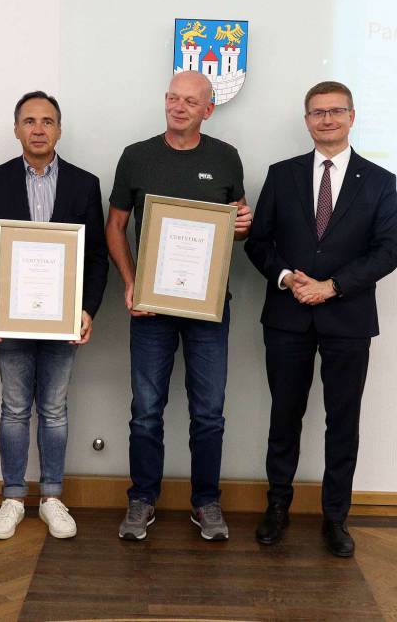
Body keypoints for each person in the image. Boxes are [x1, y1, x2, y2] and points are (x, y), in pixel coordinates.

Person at [244, 81, 397, 556]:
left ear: (352, 116)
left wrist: (331, 286)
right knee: (284, 417)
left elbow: (387, 252)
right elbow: (259, 242)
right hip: (287, 316)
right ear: (307, 120)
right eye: (317, 112)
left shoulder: (380, 181)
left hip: (348, 318)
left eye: (335, 111)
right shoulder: (281, 174)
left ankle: (335, 518)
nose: (327, 119)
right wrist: (287, 277)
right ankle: (277, 508)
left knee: (343, 422)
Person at [106, 71, 253, 541]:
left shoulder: (225, 158)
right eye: (172, 97)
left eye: (190, 101)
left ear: (208, 109)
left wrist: (244, 225)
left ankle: (206, 503)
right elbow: (115, 226)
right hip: (151, 309)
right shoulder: (136, 156)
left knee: (208, 412)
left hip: (208, 308)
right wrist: (132, 283)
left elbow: (238, 222)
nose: (178, 106)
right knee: (146, 410)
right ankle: (142, 499)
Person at [0, 91, 107, 540]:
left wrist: (86, 310)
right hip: (10, 318)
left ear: (59, 130)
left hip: (63, 321)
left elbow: (97, 256)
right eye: (29, 121)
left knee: (54, 409)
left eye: (47, 121)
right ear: (16, 129)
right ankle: (12, 497)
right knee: (13, 409)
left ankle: (51, 497)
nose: (39, 129)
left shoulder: (84, 184)